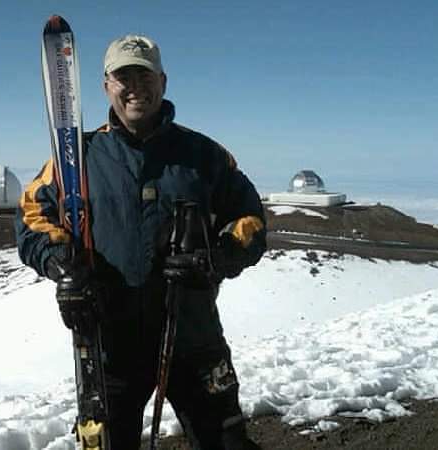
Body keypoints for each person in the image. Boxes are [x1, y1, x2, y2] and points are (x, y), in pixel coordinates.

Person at [16, 34, 266, 450]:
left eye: (145, 75)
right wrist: (64, 267)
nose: (136, 86)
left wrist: (216, 258)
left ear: (163, 82)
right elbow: (31, 218)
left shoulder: (204, 155)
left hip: (192, 335)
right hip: (110, 343)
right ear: (106, 86)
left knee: (228, 443)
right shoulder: (78, 157)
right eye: (123, 76)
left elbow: (252, 219)